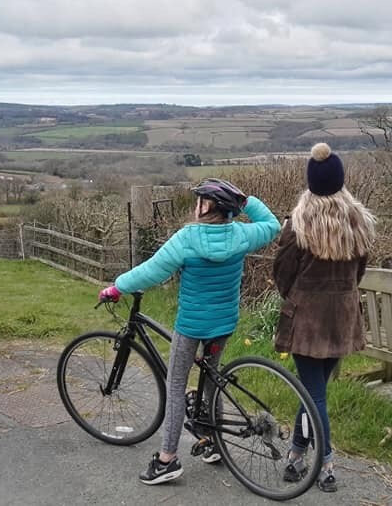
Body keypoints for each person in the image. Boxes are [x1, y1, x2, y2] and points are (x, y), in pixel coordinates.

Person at [99, 178, 280, 485]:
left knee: (176, 386)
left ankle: (166, 460)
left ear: (206, 206)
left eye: (199, 200)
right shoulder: (242, 235)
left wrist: (117, 287)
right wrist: (245, 200)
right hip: (224, 323)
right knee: (211, 380)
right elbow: (272, 224)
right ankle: (212, 442)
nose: (195, 205)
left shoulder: (187, 238)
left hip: (192, 327)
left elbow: (151, 270)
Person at [272, 143, 377, 493]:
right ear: (340, 180)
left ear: (310, 183)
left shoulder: (298, 226)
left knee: (313, 395)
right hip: (343, 318)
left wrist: (298, 298)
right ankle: (297, 455)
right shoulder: (358, 223)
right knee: (313, 392)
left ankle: (326, 462)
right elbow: (358, 273)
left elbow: (282, 276)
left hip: (307, 321)